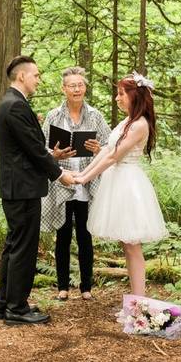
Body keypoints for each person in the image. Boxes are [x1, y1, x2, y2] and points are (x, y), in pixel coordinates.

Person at [0, 55, 77, 326]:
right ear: (22, 76)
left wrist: (52, 156)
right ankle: (17, 308)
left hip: (18, 187)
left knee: (14, 246)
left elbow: (27, 147)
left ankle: (5, 303)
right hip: (23, 188)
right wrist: (60, 174)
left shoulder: (13, 104)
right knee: (24, 249)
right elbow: (31, 149)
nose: (39, 80)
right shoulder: (15, 106)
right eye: (36, 75)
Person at [75, 72, 167, 296]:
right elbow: (106, 150)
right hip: (117, 182)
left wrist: (84, 179)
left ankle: (139, 303)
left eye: (121, 94)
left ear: (134, 96)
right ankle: (135, 302)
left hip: (129, 186)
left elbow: (113, 157)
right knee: (126, 245)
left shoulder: (140, 125)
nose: (117, 98)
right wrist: (81, 173)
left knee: (132, 245)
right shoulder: (127, 122)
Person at [40, 67, 111, 301]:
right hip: (63, 181)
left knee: (85, 235)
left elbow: (110, 148)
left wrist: (98, 149)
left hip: (87, 182)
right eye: (72, 85)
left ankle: (86, 287)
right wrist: (55, 154)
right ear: (64, 89)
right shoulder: (53, 116)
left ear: (85, 88)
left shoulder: (96, 116)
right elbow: (42, 149)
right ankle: (62, 287)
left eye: (80, 85)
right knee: (63, 236)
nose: (77, 89)